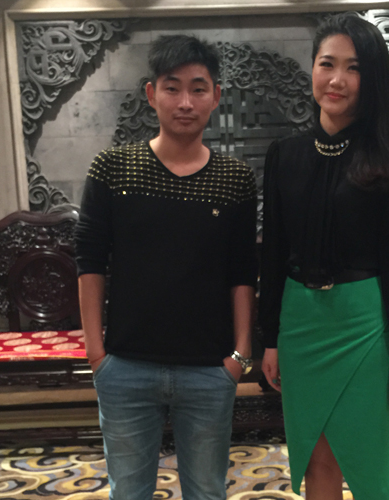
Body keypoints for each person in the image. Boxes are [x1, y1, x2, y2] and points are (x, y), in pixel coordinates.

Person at [75, 34, 257, 500]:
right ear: (151, 93)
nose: (185, 102)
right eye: (172, 88)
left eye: (198, 89)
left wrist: (239, 356)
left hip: (209, 371)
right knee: (128, 493)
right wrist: (96, 354)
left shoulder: (235, 179)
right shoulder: (113, 169)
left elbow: (242, 272)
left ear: (216, 96)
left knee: (207, 492)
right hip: (126, 367)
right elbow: (90, 262)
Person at [259, 13, 389, 500]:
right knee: (317, 455)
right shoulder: (284, 154)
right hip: (301, 325)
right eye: (326, 64)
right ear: (312, 68)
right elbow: (273, 253)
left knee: (373, 461)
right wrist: (270, 338)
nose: (336, 79)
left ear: (370, 78)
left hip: (365, 326)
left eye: (352, 68)